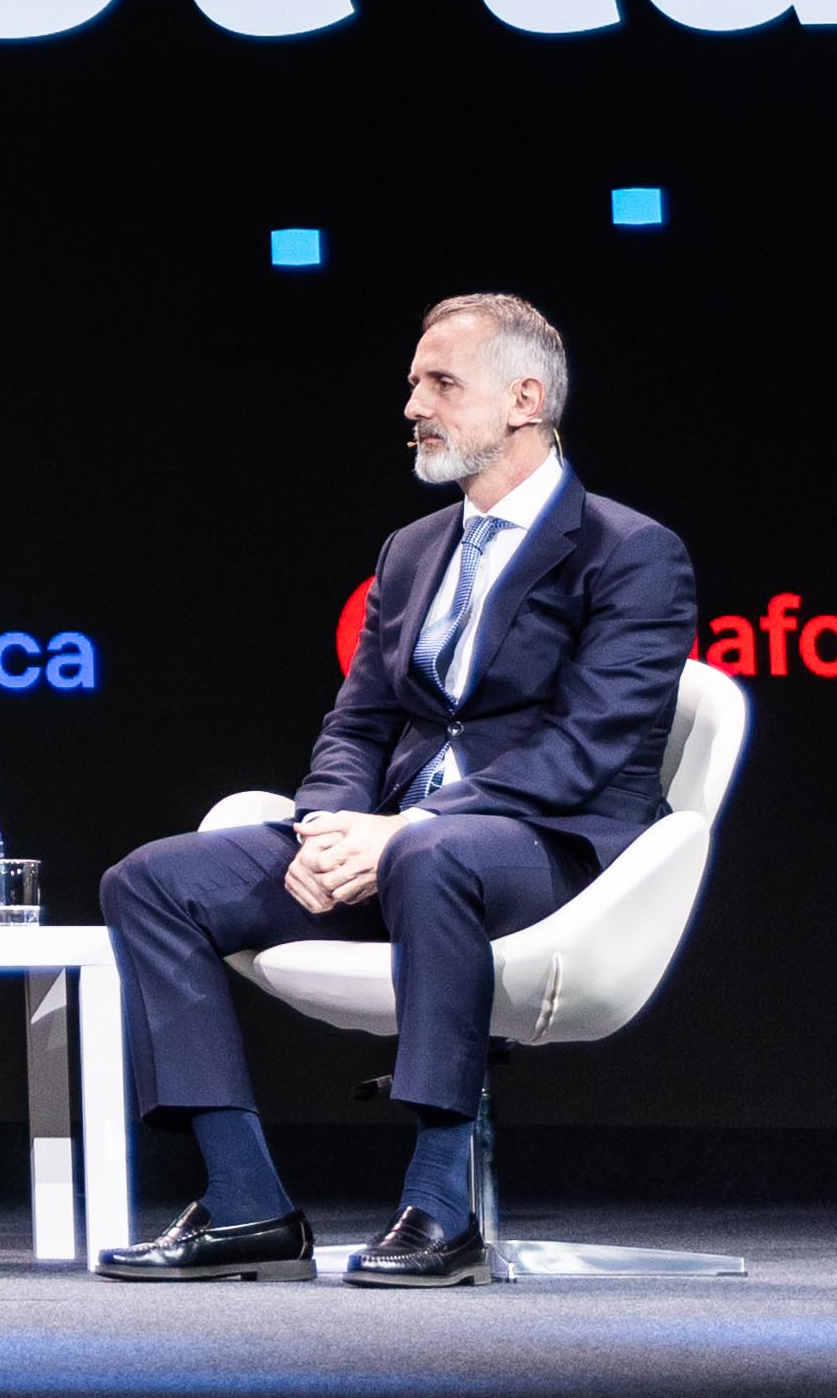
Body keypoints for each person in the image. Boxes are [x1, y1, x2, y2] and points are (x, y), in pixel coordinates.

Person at [92, 290, 700, 1291]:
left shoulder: (629, 553)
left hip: (543, 850)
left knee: (429, 856)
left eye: (438, 383)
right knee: (151, 881)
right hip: (398, 839)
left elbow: (585, 749)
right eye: (412, 381)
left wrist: (403, 828)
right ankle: (244, 1203)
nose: (411, 404)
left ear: (524, 398)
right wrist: (332, 824)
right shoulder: (409, 552)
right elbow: (359, 723)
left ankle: (438, 1206)